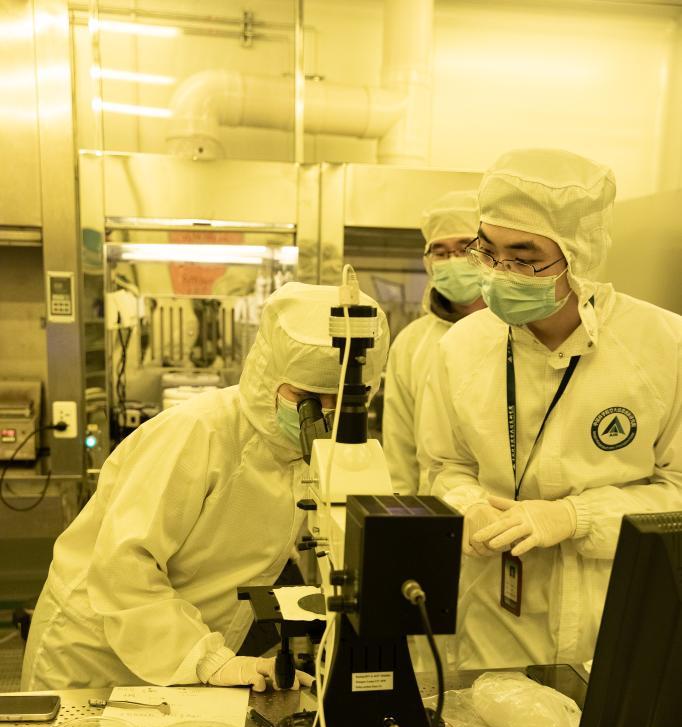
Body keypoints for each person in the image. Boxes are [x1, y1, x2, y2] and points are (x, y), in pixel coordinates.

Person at [22, 282, 389, 691]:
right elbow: (123, 567)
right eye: (306, 398)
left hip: (185, 650)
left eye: (341, 401)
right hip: (93, 652)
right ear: (269, 374)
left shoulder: (310, 453)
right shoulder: (197, 433)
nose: (322, 417)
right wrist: (209, 660)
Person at [421, 148, 682, 668]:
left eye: (524, 258)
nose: (500, 273)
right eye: (487, 251)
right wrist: (468, 505)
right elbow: (444, 466)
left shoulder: (663, 345)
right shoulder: (461, 347)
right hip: (497, 614)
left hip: (619, 613)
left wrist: (576, 516)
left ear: (579, 254)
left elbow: (677, 488)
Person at [382, 190, 485, 495]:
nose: (452, 261)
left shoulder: (519, 330)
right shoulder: (412, 342)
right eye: (440, 253)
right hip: (432, 507)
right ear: (428, 262)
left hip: (507, 510)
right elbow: (399, 445)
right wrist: (400, 506)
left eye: (465, 249)